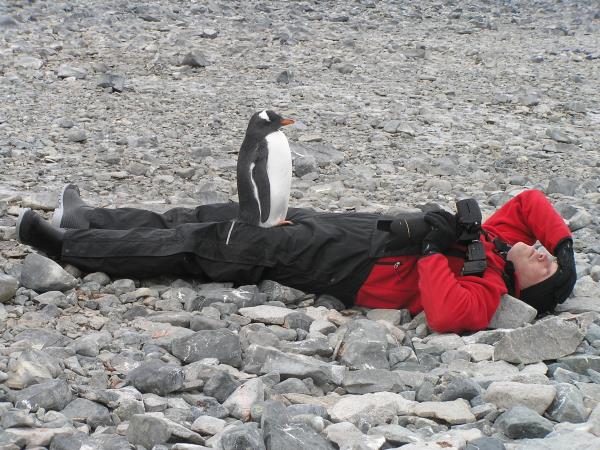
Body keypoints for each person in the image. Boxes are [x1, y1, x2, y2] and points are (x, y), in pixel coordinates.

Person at [15, 185, 577, 333]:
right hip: (348, 229)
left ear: (527, 293)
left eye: (544, 263)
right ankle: (93, 218)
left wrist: (435, 245)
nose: (536, 248)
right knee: (222, 211)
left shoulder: (490, 291)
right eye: (544, 249)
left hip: (340, 266)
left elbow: (449, 314)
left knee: (214, 243)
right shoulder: (503, 243)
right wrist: (566, 251)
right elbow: (531, 202)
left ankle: (68, 246)